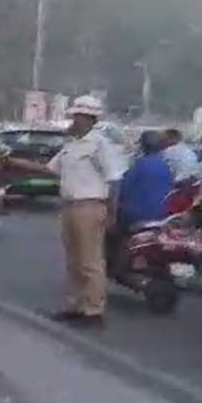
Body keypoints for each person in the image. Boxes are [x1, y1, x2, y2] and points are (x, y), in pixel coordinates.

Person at [10, 95, 124, 327]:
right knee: (73, 261)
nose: (74, 120)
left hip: (90, 205)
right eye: (74, 115)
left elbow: (114, 180)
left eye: (79, 116)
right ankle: (76, 306)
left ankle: (93, 310)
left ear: (90, 119)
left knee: (90, 261)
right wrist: (13, 162)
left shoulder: (100, 144)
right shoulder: (71, 145)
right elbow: (49, 169)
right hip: (70, 206)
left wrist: (112, 212)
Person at [109, 131, 175, 269]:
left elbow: (123, 188)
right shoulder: (166, 166)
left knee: (112, 231)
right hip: (161, 215)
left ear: (143, 146)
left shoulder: (138, 165)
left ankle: (117, 265)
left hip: (135, 215)